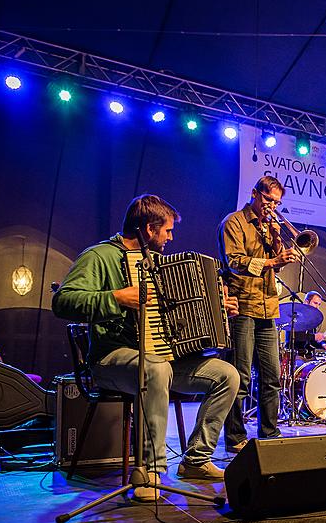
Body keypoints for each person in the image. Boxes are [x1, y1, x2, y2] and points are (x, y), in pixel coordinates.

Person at [52, 194, 240, 501]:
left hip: (163, 358)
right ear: (150, 228)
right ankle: (152, 470)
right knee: (155, 368)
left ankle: (195, 460)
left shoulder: (158, 265)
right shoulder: (99, 256)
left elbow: (183, 315)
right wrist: (115, 298)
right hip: (112, 358)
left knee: (227, 375)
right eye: (166, 230)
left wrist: (219, 308)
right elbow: (62, 302)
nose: (171, 236)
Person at [218, 176, 300, 454]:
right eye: (268, 200)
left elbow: (277, 264)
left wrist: (278, 240)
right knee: (240, 376)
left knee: (272, 376)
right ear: (254, 194)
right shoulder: (234, 222)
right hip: (241, 306)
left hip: (268, 306)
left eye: (276, 202)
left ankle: (269, 431)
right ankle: (235, 437)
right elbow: (235, 262)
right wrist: (272, 261)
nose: (271, 207)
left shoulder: (269, 227)